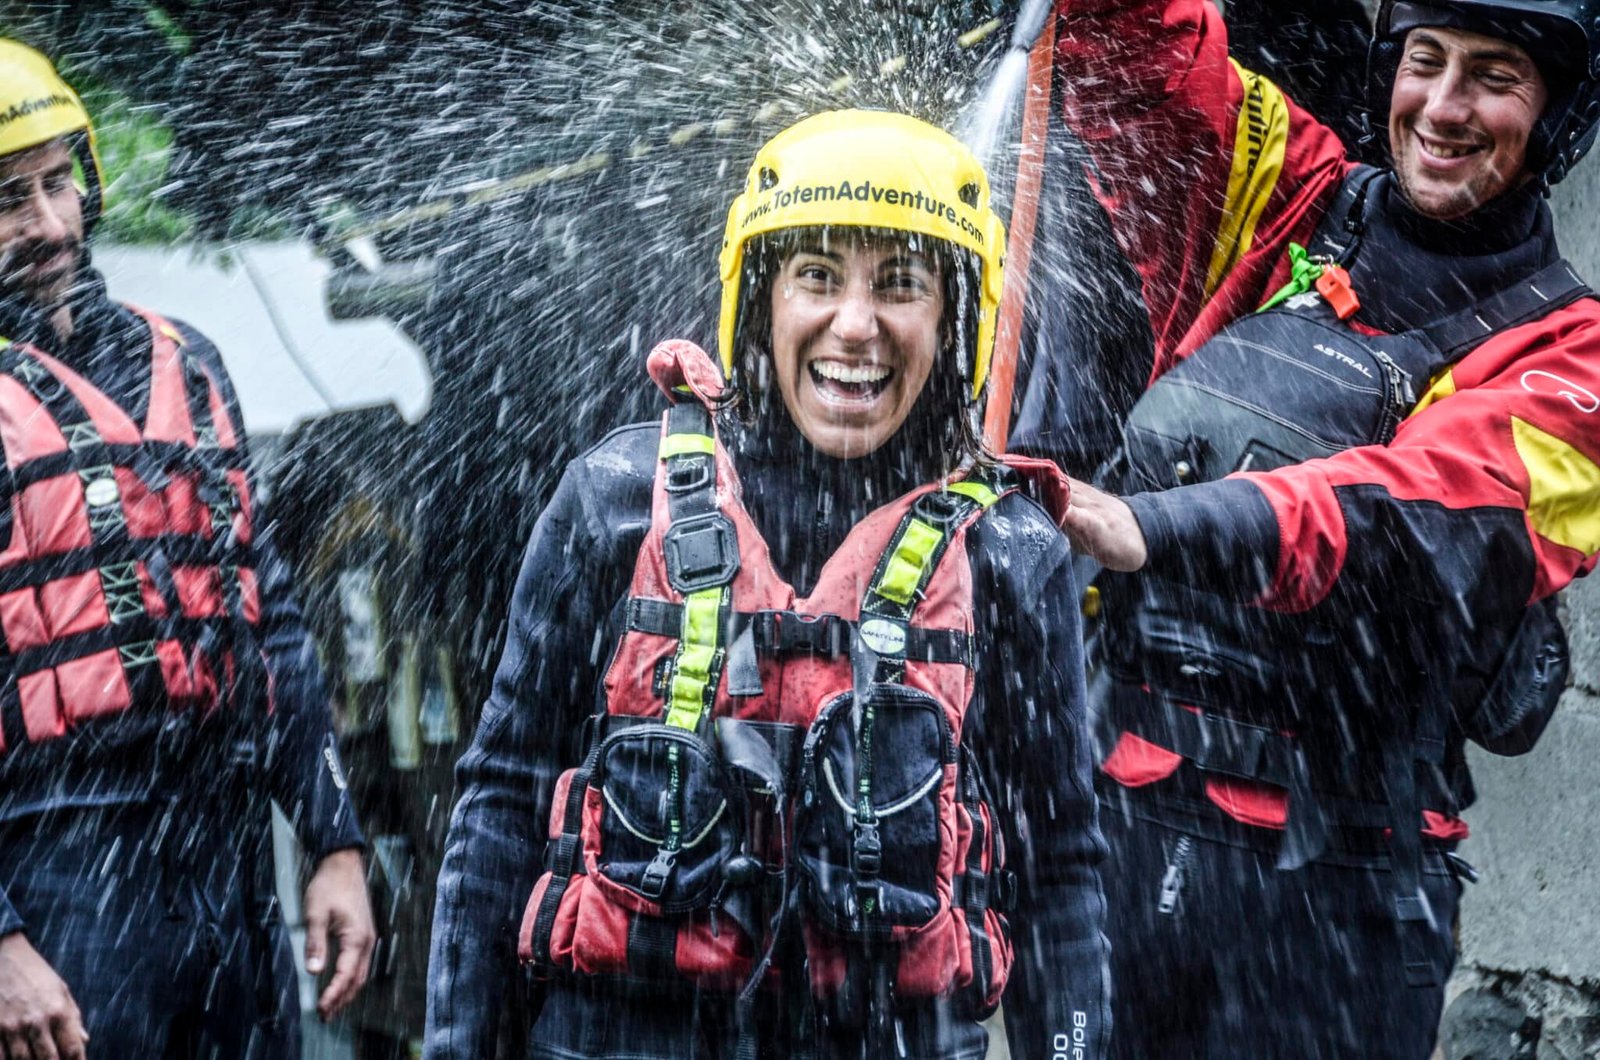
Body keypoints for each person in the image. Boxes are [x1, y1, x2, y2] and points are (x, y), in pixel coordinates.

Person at [424, 109, 1110, 1059]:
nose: (856, 325)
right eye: (818, 277)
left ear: (956, 318)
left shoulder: (1010, 552)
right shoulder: (616, 502)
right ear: (762, 300)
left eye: (900, 285)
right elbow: (500, 801)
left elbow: (1060, 867)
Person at [1030, 0, 1600, 1055]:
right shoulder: (1289, 198)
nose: (1441, 105)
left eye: (1492, 77)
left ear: (1555, 117)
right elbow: (1147, 61)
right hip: (1119, 833)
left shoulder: (1574, 360)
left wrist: (1154, 525)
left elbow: (1410, 516)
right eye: (1423, 62)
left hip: (1338, 889)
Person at [0, 39, 375, 1059]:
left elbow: (273, 619)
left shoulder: (190, 364)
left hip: (224, 852)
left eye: (56, 182)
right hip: (54, 860)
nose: (47, 223)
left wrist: (334, 838)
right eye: (8, 200)